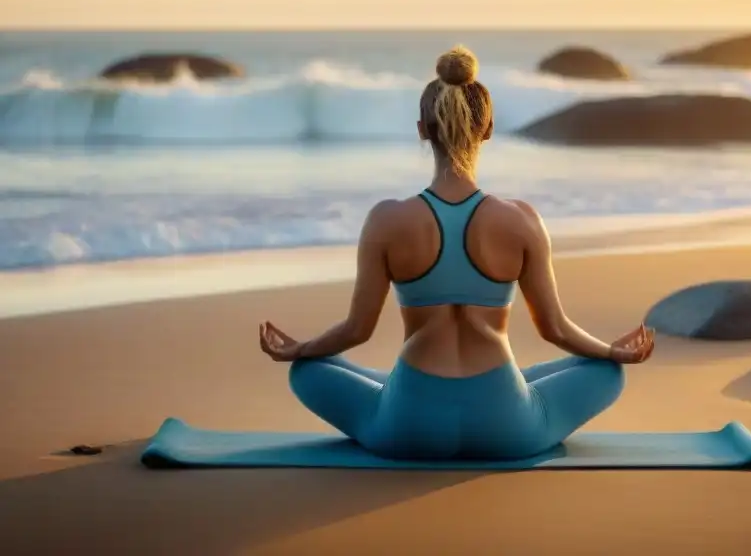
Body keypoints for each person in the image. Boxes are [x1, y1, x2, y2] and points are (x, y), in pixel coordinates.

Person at [258, 45, 654, 460]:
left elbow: (357, 330)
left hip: (407, 427)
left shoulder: (387, 220)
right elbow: (554, 329)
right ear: (487, 129)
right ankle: (512, 387)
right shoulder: (521, 220)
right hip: (507, 427)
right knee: (605, 371)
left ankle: (389, 388)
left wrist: (299, 349)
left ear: (422, 130)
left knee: (309, 370)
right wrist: (612, 352)